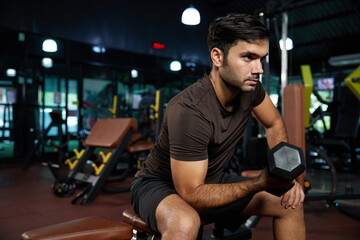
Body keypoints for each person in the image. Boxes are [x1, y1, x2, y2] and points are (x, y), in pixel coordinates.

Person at [130, 13, 306, 240]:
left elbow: (273, 124)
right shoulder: (190, 110)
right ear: (217, 57)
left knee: (289, 203)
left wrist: (286, 177)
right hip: (157, 185)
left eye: (261, 59)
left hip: (210, 180)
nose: (259, 69)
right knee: (185, 222)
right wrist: (260, 182)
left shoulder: (251, 90)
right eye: (248, 57)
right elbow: (191, 194)